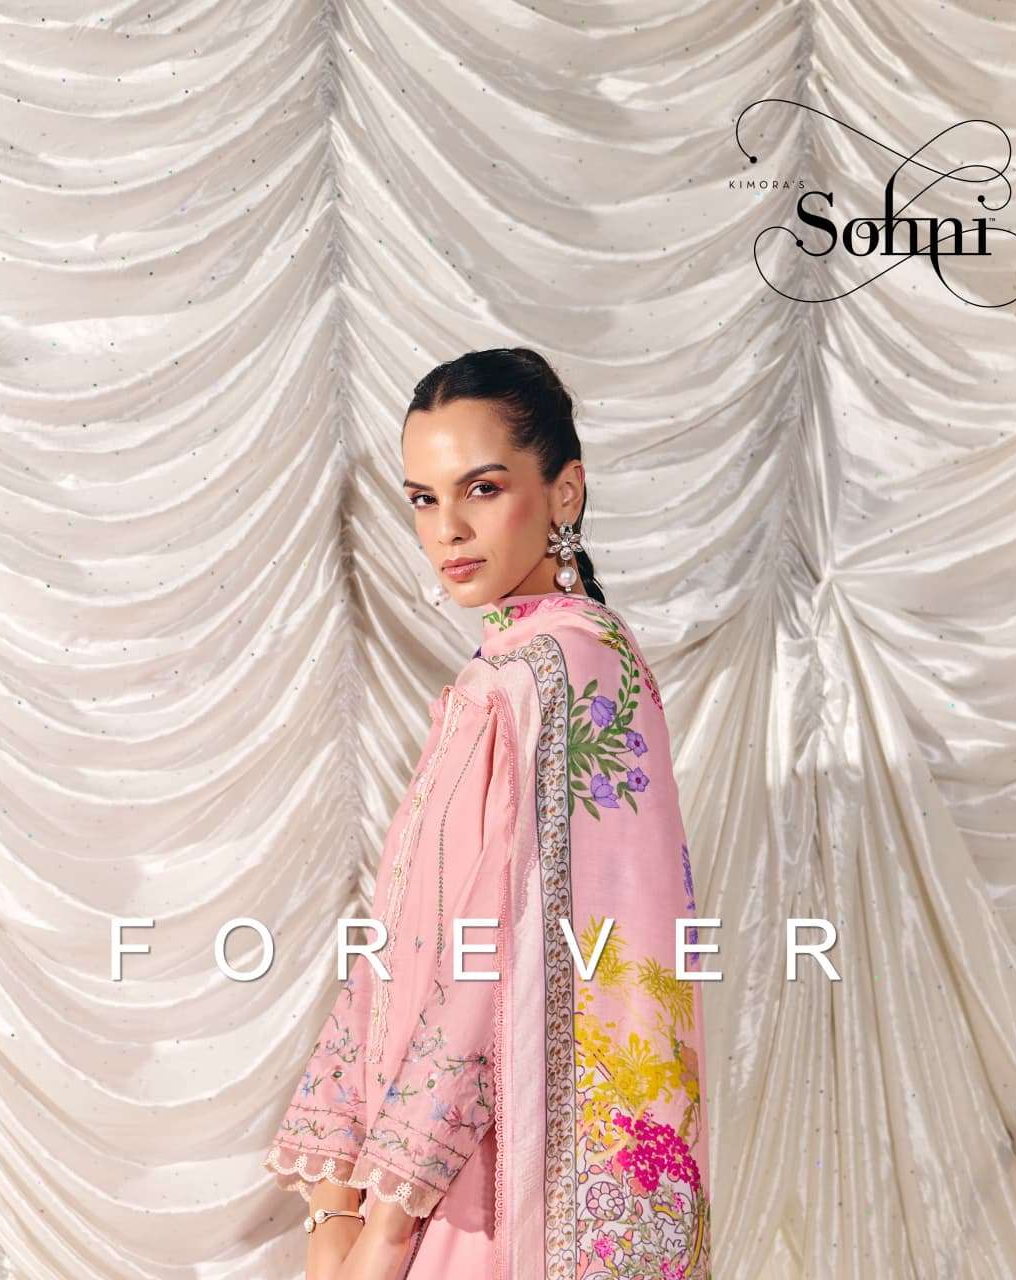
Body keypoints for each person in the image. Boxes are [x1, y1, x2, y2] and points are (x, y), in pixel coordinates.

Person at [264, 348, 712, 1279]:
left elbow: (500, 958)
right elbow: (402, 939)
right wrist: (333, 1189)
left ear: (564, 493)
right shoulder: (509, 671)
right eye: (423, 499)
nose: (448, 529)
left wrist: (386, 1222)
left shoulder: (561, 673)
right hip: (435, 1162)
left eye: (482, 488)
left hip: (496, 1187)